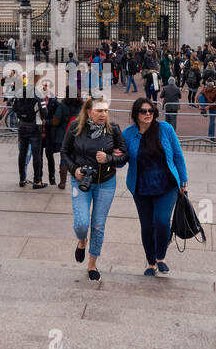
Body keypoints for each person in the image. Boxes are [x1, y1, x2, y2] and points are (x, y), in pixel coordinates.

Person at [62, 97, 127, 281]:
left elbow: (124, 156)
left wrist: (108, 158)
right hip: (81, 181)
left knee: (98, 225)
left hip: (105, 182)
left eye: (106, 111)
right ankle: (82, 241)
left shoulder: (113, 129)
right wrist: (74, 170)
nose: (103, 114)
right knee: (81, 223)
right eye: (99, 111)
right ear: (89, 111)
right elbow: (64, 151)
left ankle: (92, 264)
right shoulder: (75, 127)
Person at [122, 98, 188, 277]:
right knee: (147, 226)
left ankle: (161, 257)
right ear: (136, 114)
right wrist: (112, 156)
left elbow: (177, 155)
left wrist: (183, 180)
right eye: (143, 111)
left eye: (150, 111)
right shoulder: (128, 134)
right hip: (141, 187)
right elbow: (121, 162)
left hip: (167, 185)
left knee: (161, 221)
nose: (148, 114)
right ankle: (151, 262)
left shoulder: (165, 129)